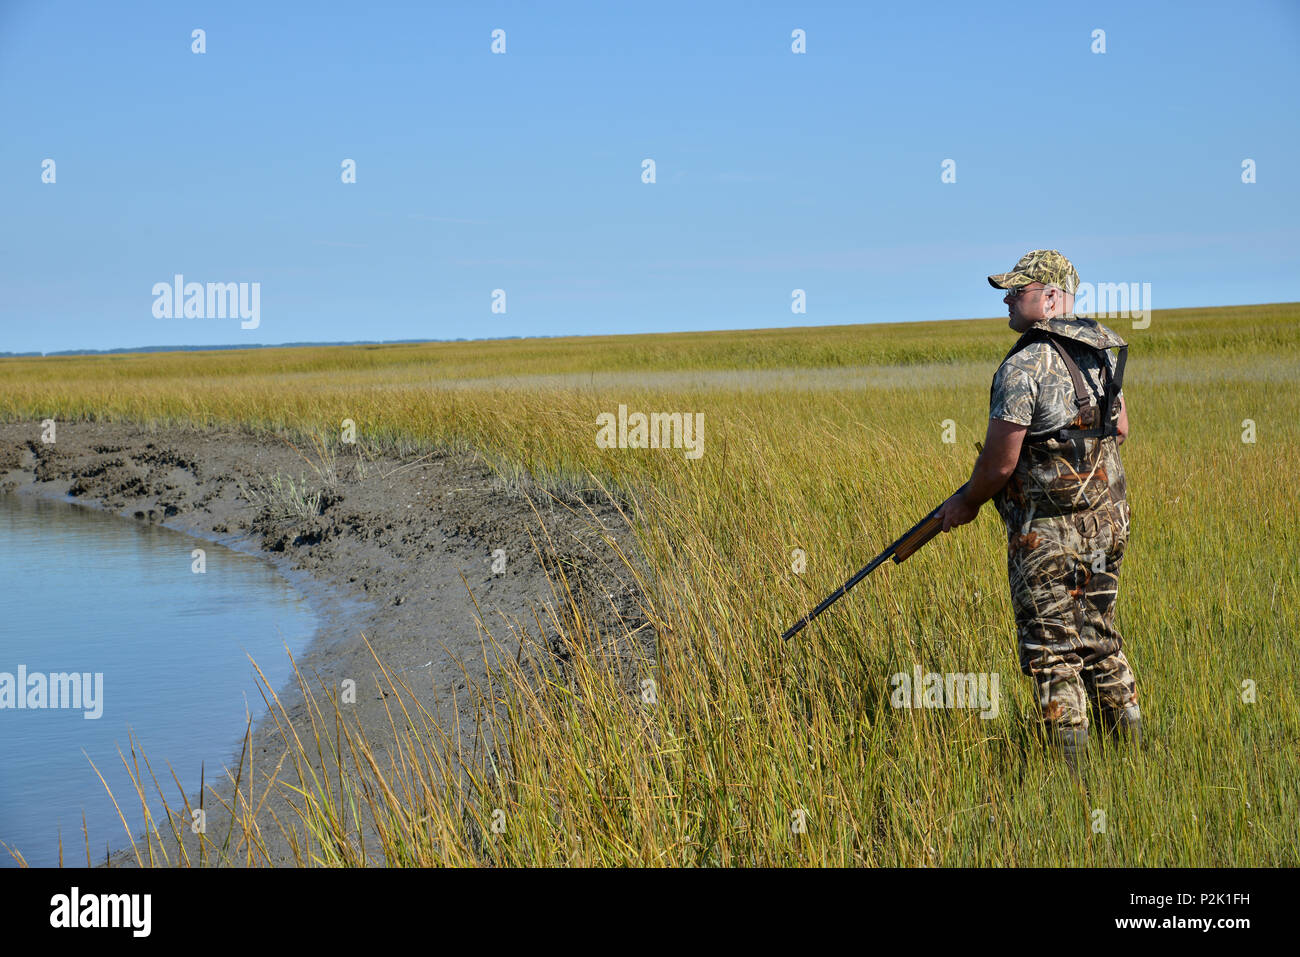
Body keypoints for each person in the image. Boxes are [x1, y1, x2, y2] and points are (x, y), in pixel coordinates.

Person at [934, 250, 1141, 770]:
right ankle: (1137, 758)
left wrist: (966, 502)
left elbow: (1000, 463)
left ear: (1050, 297)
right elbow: (1119, 429)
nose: (1006, 299)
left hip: (1045, 535)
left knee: (1051, 651)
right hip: (1108, 523)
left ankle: (1073, 782)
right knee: (1100, 635)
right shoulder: (1100, 352)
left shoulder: (1023, 365)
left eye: (1017, 291)